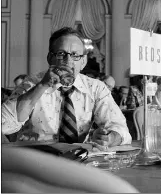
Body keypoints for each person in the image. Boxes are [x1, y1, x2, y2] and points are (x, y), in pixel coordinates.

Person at [1, 27, 131, 146]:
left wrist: (111, 137)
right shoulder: (32, 83)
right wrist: (42, 86)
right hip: (35, 161)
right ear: (50, 58)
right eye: (61, 54)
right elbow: (4, 124)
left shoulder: (96, 88)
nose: (68, 61)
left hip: (77, 163)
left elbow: (121, 129)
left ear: (83, 61)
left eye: (75, 55)